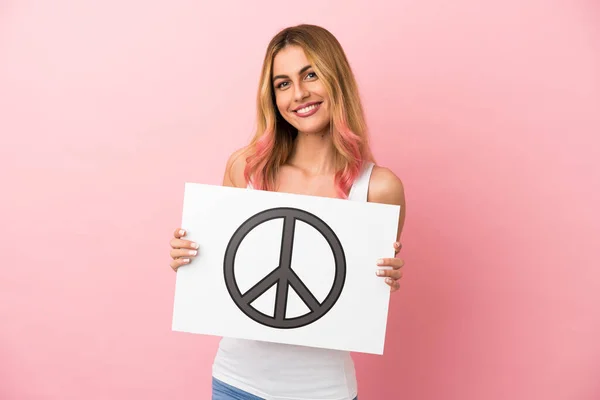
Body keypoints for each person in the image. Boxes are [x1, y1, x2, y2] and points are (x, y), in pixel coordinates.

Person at [169, 24, 406, 400]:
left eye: (310, 74)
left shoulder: (378, 188)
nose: (299, 94)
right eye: (283, 83)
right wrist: (190, 256)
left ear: (336, 78)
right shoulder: (245, 169)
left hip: (324, 390)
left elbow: (356, 298)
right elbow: (225, 270)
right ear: (273, 97)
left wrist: (385, 281)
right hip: (236, 383)